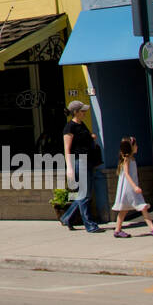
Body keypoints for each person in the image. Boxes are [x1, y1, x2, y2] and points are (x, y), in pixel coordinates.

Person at [60, 100, 102, 233]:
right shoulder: (69, 128)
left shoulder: (82, 125)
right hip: (79, 161)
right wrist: (69, 168)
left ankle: (67, 218)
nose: (85, 113)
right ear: (75, 112)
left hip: (87, 160)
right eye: (82, 111)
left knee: (86, 194)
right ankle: (89, 224)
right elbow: (67, 149)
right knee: (84, 194)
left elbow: (85, 139)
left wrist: (91, 137)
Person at [112, 136, 153, 238]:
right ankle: (151, 228)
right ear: (131, 147)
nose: (137, 147)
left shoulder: (132, 158)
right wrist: (134, 187)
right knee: (134, 208)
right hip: (128, 188)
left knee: (133, 208)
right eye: (135, 145)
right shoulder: (127, 159)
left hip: (131, 188)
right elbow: (126, 174)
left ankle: (118, 230)